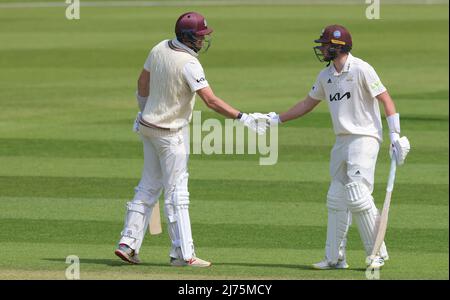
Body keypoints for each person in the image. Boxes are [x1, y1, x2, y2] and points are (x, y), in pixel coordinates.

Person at [114, 12, 269, 267]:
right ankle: (183, 255)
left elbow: (142, 83)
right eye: (199, 37)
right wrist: (244, 118)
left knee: (148, 185)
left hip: (148, 127)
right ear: (187, 37)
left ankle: (127, 243)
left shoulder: (159, 48)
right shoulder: (190, 64)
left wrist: (144, 110)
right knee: (177, 192)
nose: (202, 41)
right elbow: (211, 101)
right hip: (170, 134)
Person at [268, 24, 410, 269]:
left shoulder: (362, 69)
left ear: (338, 47)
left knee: (357, 194)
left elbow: (385, 99)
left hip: (365, 137)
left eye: (324, 45)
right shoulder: (326, 76)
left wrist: (395, 135)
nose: (321, 48)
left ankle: (376, 253)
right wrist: (277, 119)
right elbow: (307, 104)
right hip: (341, 140)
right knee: (336, 197)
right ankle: (335, 258)